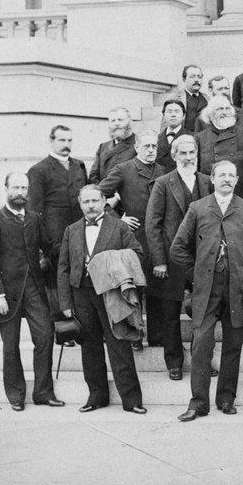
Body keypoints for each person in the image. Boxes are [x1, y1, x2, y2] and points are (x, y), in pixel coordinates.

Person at [170, 161, 243, 420]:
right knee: (201, 343)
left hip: (238, 290)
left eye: (231, 175)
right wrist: (198, 275)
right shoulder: (198, 208)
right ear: (212, 179)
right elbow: (178, 248)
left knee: (233, 345)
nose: (226, 179)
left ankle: (226, 399)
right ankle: (198, 403)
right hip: (206, 290)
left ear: (236, 180)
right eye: (221, 175)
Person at [0, 172, 63, 411]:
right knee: (10, 346)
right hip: (7, 294)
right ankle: (15, 394)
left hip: (34, 290)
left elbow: (50, 248)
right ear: (5, 188)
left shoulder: (35, 219)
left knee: (45, 337)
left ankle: (43, 393)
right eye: (15, 188)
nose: (20, 193)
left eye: (24, 188)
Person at [58, 185, 146, 413]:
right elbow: (64, 268)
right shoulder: (71, 230)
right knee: (89, 347)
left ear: (104, 201)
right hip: (81, 294)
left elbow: (137, 254)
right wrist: (66, 303)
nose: (90, 205)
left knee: (119, 345)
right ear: (80, 204)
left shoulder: (119, 227)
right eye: (86, 201)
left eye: (95, 200)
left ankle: (132, 400)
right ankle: (96, 397)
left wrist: (110, 262)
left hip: (111, 294)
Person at [145, 134, 209, 381]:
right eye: (182, 153)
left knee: (203, 312)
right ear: (173, 156)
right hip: (171, 259)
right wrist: (159, 260)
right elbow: (153, 224)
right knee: (170, 313)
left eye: (191, 152)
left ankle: (202, 359)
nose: (188, 157)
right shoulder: (163, 183)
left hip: (202, 258)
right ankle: (173, 362)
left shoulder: (206, 182)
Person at [98, 131, 168, 352]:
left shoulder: (163, 171)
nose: (150, 150)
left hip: (157, 238)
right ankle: (135, 334)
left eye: (154, 147)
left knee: (157, 287)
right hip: (133, 239)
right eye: (146, 146)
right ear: (136, 147)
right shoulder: (124, 169)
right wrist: (119, 219)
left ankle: (157, 336)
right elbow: (98, 195)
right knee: (134, 287)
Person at [27, 124, 88, 265]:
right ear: (51, 141)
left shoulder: (79, 166)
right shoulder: (38, 170)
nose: (66, 144)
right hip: (54, 239)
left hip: (79, 233)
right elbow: (35, 211)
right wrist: (43, 246)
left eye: (69, 140)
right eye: (62, 140)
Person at [196, 95, 243, 209]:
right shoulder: (200, 139)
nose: (224, 112)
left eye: (227, 108)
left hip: (242, 196)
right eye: (220, 109)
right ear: (210, 114)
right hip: (211, 198)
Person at [88, 107, 137, 184]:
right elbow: (93, 175)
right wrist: (101, 193)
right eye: (113, 120)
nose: (116, 123)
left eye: (120, 120)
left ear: (130, 122)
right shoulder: (103, 147)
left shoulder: (139, 145)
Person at [169, 64, 208, 133]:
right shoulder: (176, 99)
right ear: (184, 80)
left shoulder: (207, 99)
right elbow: (167, 126)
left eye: (199, 77)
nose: (196, 80)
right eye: (192, 77)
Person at [156, 99, 187, 172]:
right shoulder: (156, 139)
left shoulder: (193, 137)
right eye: (169, 111)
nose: (173, 115)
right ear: (164, 115)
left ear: (183, 116)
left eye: (177, 111)